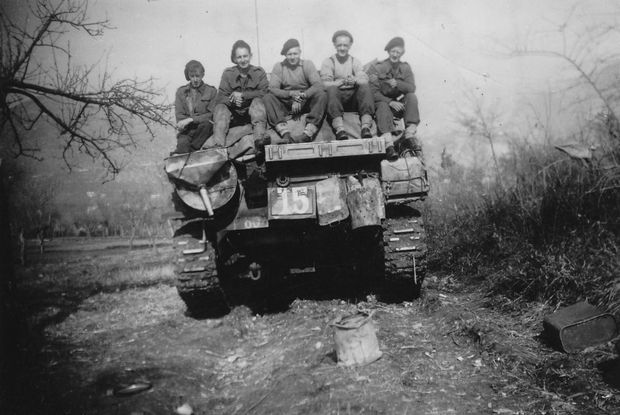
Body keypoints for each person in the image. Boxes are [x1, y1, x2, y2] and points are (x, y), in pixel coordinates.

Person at [212, 40, 269, 158]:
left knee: (258, 102)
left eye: (245, 56)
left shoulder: (259, 72)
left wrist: (242, 95)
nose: (243, 60)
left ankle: (259, 141)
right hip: (235, 115)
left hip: (252, 113)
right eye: (239, 57)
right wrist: (231, 101)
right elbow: (220, 97)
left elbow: (265, 92)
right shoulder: (228, 74)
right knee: (220, 108)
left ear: (250, 56)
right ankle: (218, 147)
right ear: (234, 58)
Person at [263, 38, 327, 143]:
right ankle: (285, 134)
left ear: (300, 53)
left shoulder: (307, 64)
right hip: (287, 103)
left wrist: (302, 96)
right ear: (285, 55)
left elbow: (317, 84)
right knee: (268, 97)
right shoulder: (279, 67)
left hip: (305, 101)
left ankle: (308, 134)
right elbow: (273, 89)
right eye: (289, 54)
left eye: (295, 54)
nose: (292, 57)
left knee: (322, 95)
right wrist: (291, 94)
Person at [367, 37, 421, 160]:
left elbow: (411, 87)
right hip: (381, 104)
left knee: (411, 97)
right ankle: (389, 144)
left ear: (402, 53)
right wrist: (390, 102)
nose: (395, 55)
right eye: (393, 52)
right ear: (388, 51)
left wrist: (398, 83)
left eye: (398, 52)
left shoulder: (405, 68)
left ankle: (410, 134)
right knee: (382, 105)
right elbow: (372, 92)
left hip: (398, 106)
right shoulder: (377, 67)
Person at [320, 30, 374, 140]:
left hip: (353, 100)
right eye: (339, 45)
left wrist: (354, 80)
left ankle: (365, 127)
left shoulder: (355, 61)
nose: (342, 48)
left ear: (350, 45)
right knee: (332, 88)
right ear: (334, 45)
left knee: (365, 87)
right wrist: (337, 82)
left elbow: (364, 79)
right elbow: (324, 84)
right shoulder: (329, 61)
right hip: (336, 100)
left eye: (345, 45)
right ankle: (340, 129)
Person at [173, 60, 217, 154]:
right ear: (188, 76)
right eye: (192, 76)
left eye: (198, 76)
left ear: (202, 75)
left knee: (207, 125)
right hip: (187, 131)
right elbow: (180, 118)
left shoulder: (211, 91)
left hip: (204, 130)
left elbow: (212, 115)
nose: (195, 79)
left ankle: (192, 151)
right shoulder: (181, 92)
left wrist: (192, 119)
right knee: (181, 150)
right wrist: (185, 123)